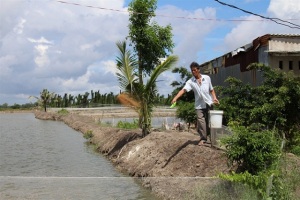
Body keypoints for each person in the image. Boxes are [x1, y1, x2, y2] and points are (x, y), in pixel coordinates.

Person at [171, 62, 219, 146]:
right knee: (201, 121)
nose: (193, 72)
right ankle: (203, 139)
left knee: (210, 122)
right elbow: (183, 90)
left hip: (209, 103)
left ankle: (213, 139)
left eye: (194, 70)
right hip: (199, 105)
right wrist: (175, 98)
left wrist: (214, 98)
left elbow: (211, 89)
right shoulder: (190, 82)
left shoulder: (207, 78)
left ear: (198, 70)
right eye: (192, 71)